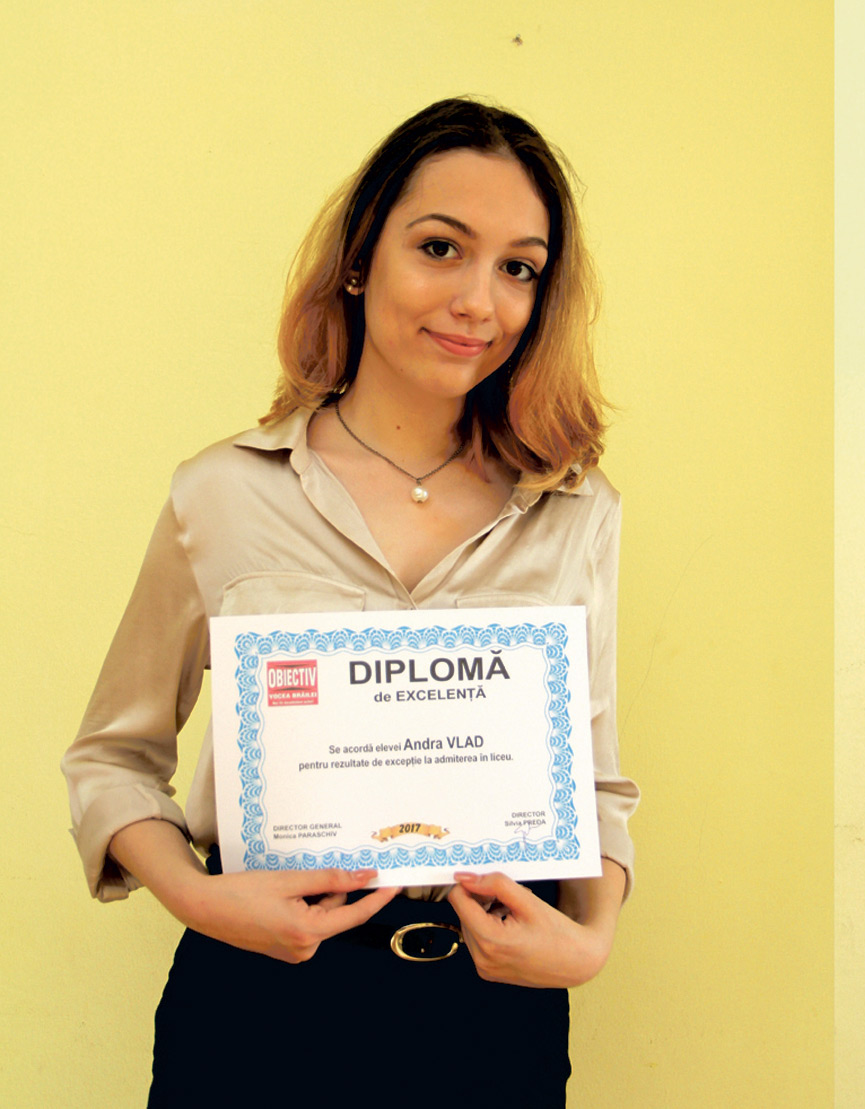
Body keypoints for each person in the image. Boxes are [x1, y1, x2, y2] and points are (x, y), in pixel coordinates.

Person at [61, 98, 638, 1106]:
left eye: (519, 268)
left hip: (490, 1015)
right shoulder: (221, 493)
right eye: (440, 247)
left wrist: (590, 941)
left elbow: (592, 781)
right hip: (256, 1005)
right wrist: (196, 896)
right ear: (362, 258)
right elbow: (112, 757)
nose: (479, 301)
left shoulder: (575, 509)